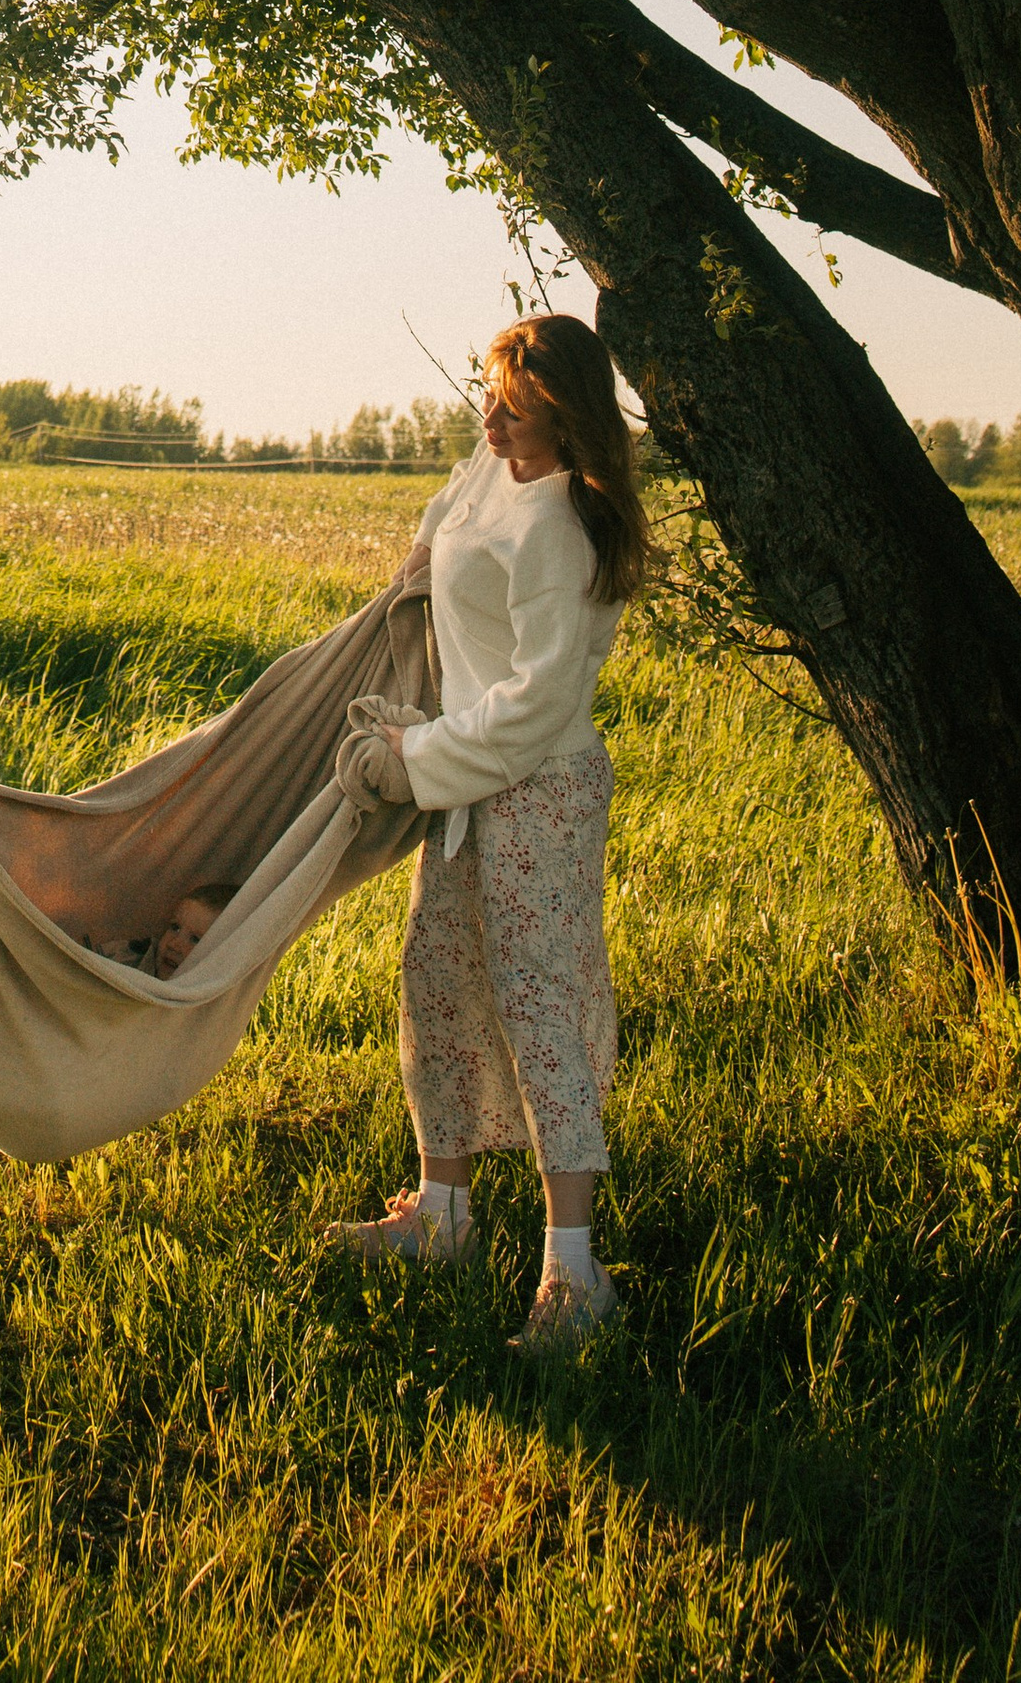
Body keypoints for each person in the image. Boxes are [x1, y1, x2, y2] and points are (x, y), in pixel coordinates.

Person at [324, 313, 649, 1351]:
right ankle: (442, 1217)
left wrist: (414, 764)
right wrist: (424, 551)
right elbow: (459, 499)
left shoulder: (561, 523)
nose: (491, 416)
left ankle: (573, 1278)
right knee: (439, 979)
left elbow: (534, 703)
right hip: (471, 779)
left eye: (515, 403)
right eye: (491, 392)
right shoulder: (498, 468)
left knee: (539, 1005)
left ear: (566, 414)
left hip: (536, 788)